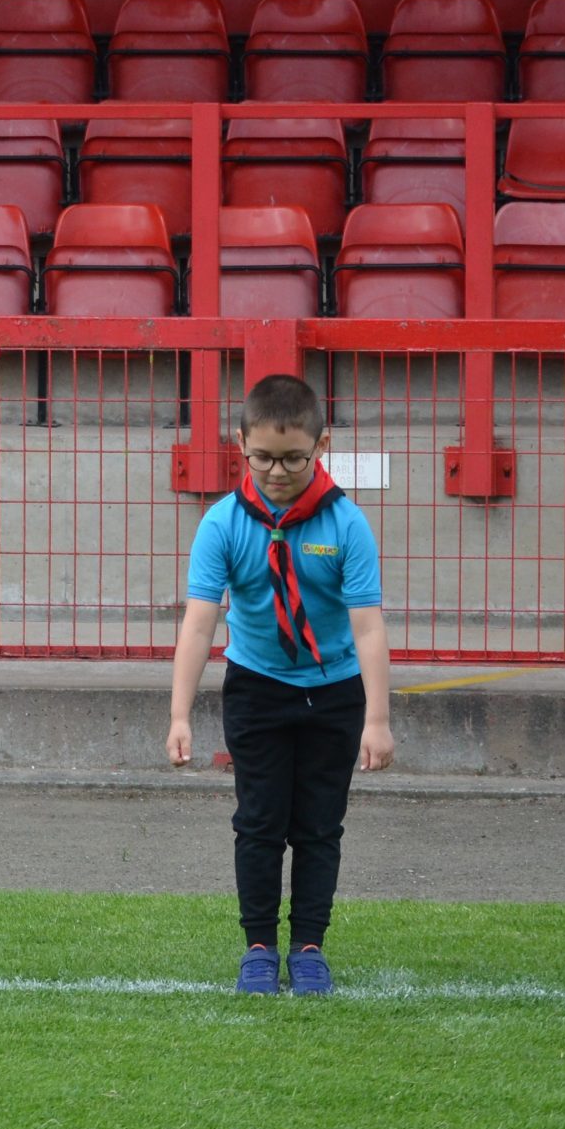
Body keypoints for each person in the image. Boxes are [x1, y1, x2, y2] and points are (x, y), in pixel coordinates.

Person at [166, 374, 394, 996]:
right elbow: (199, 621)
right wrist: (179, 713)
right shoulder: (221, 524)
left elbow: (368, 627)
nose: (277, 471)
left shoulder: (347, 525)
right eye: (263, 456)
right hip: (257, 690)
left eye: (294, 458)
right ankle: (260, 948)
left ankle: (311, 948)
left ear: (321, 447)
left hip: (334, 693)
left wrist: (377, 718)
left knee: (319, 826)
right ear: (241, 442)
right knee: (260, 823)